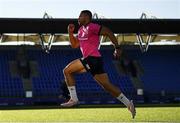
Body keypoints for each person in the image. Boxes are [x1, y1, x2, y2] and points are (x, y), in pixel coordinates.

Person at [61, 10, 136, 119]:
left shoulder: (92, 27)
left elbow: (108, 32)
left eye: (80, 16)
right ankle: (128, 104)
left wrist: (117, 47)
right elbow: (75, 45)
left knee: (67, 71)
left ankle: (74, 99)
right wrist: (70, 32)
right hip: (94, 61)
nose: (78, 18)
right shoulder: (81, 30)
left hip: (92, 58)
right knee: (107, 86)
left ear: (86, 17)